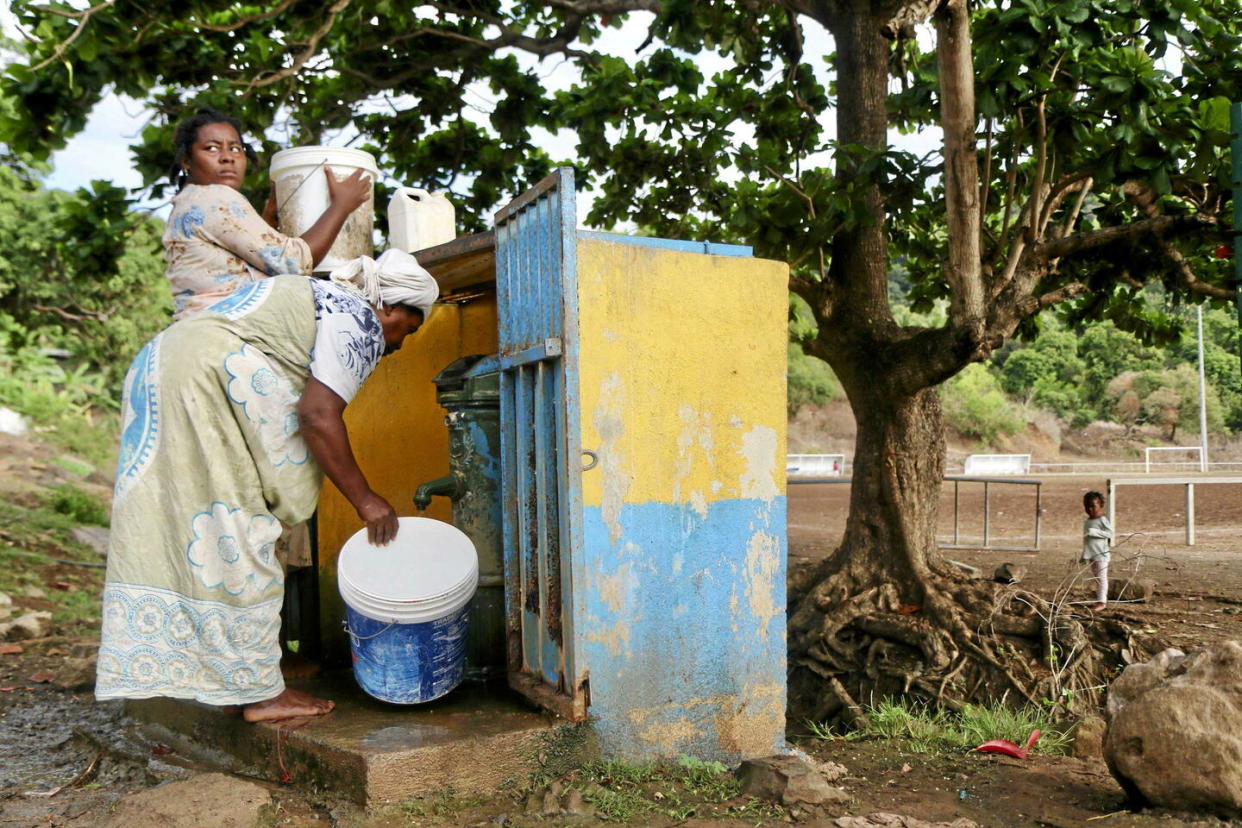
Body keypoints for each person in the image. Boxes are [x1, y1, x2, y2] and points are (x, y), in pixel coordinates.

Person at [96, 249, 438, 722]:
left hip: (161, 363)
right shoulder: (357, 316)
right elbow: (318, 415)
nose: (399, 344)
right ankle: (260, 693)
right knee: (240, 527)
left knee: (184, 525)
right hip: (206, 377)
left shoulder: (318, 295)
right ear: (388, 309)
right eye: (409, 329)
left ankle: (195, 672)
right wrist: (367, 500)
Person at [163, 106, 371, 320]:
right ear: (186, 160)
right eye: (212, 148)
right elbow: (294, 264)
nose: (227, 157)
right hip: (221, 330)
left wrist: (268, 220)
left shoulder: (187, 202)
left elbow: (245, 265)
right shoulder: (214, 197)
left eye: (235, 148)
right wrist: (341, 206)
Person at [1082, 491, 1112, 611]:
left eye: (1093, 506)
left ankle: (1102, 602)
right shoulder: (1087, 521)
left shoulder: (1102, 520)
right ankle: (1099, 599)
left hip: (1101, 554)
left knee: (1101, 578)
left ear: (1100, 505)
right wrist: (1084, 555)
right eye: (1087, 506)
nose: (1090, 509)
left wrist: (1094, 532)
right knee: (1096, 578)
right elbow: (1087, 541)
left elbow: (1110, 533)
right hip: (1092, 555)